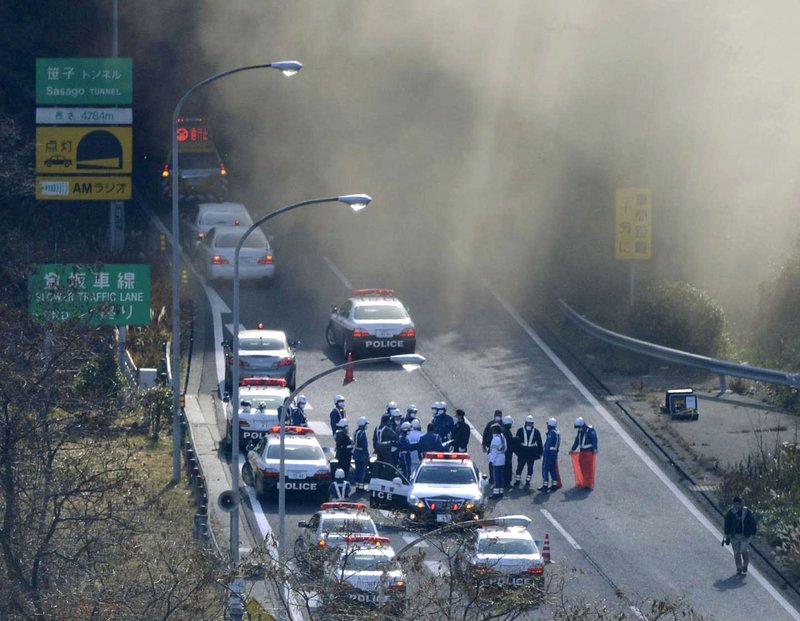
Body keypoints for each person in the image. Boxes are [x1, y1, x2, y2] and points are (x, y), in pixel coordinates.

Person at [723, 496, 757, 575]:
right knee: (736, 552)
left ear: (742, 504)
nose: (737, 506)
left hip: (744, 535)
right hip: (734, 536)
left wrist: (753, 532)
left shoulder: (746, 512)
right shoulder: (731, 512)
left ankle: (745, 564)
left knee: (743, 550)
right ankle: (739, 567)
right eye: (735, 504)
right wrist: (727, 534)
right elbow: (727, 523)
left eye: (738, 504)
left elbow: (752, 522)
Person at [514, 415, 543, 488]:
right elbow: (516, 442)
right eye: (528, 423)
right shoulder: (520, 430)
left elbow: (539, 442)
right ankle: (517, 480)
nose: (529, 425)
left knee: (530, 468)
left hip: (531, 452)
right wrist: (517, 451)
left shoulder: (536, 432)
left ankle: (528, 481)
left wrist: (540, 452)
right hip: (522, 451)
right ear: (525, 423)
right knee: (520, 467)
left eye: (531, 423)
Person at [570, 417, 598, 489]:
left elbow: (594, 440)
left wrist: (595, 449)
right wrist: (572, 449)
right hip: (582, 451)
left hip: (588, 451)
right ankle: (584, 481)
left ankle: (589, 483)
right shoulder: (580, 431)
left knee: (588, 468)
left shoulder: (590, 430)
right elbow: (577, 440)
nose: (578, 428)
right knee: (582, 467)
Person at [540, 417, 561, 492]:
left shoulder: (552, 432)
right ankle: (554, 484)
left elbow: (548, 444)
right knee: (552, 468)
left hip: (549, 453)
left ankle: (545, 485)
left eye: (548, 424)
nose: (547, 425)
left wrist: (543, 453)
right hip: (554, 453)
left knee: (545, 468)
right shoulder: (557, 432)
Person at [487, 423, 507, 497]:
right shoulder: (502, 437)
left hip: (497, 460)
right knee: (501, 476)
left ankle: (496, 493)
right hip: (502, 458)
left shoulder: (495, 439)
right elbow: (505, 448)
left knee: (496, 477)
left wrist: (491, 460)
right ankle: (501, 492)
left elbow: (494, 451)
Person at [352, 417, 370, 490]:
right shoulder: (362, 433)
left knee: (357, 470)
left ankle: (357, 486)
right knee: (362, 471)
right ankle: (361, 487)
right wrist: (367, 455)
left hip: (356, 453)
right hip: (361, 454)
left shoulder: (356, 432)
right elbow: (364, 446)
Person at [501, 415, 515, 490]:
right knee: (508, 467)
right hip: (507, 453)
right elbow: (510, 441)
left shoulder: (502, 430)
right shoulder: (507, 431)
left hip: (502, 453)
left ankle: (502, 481)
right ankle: (507, 483)